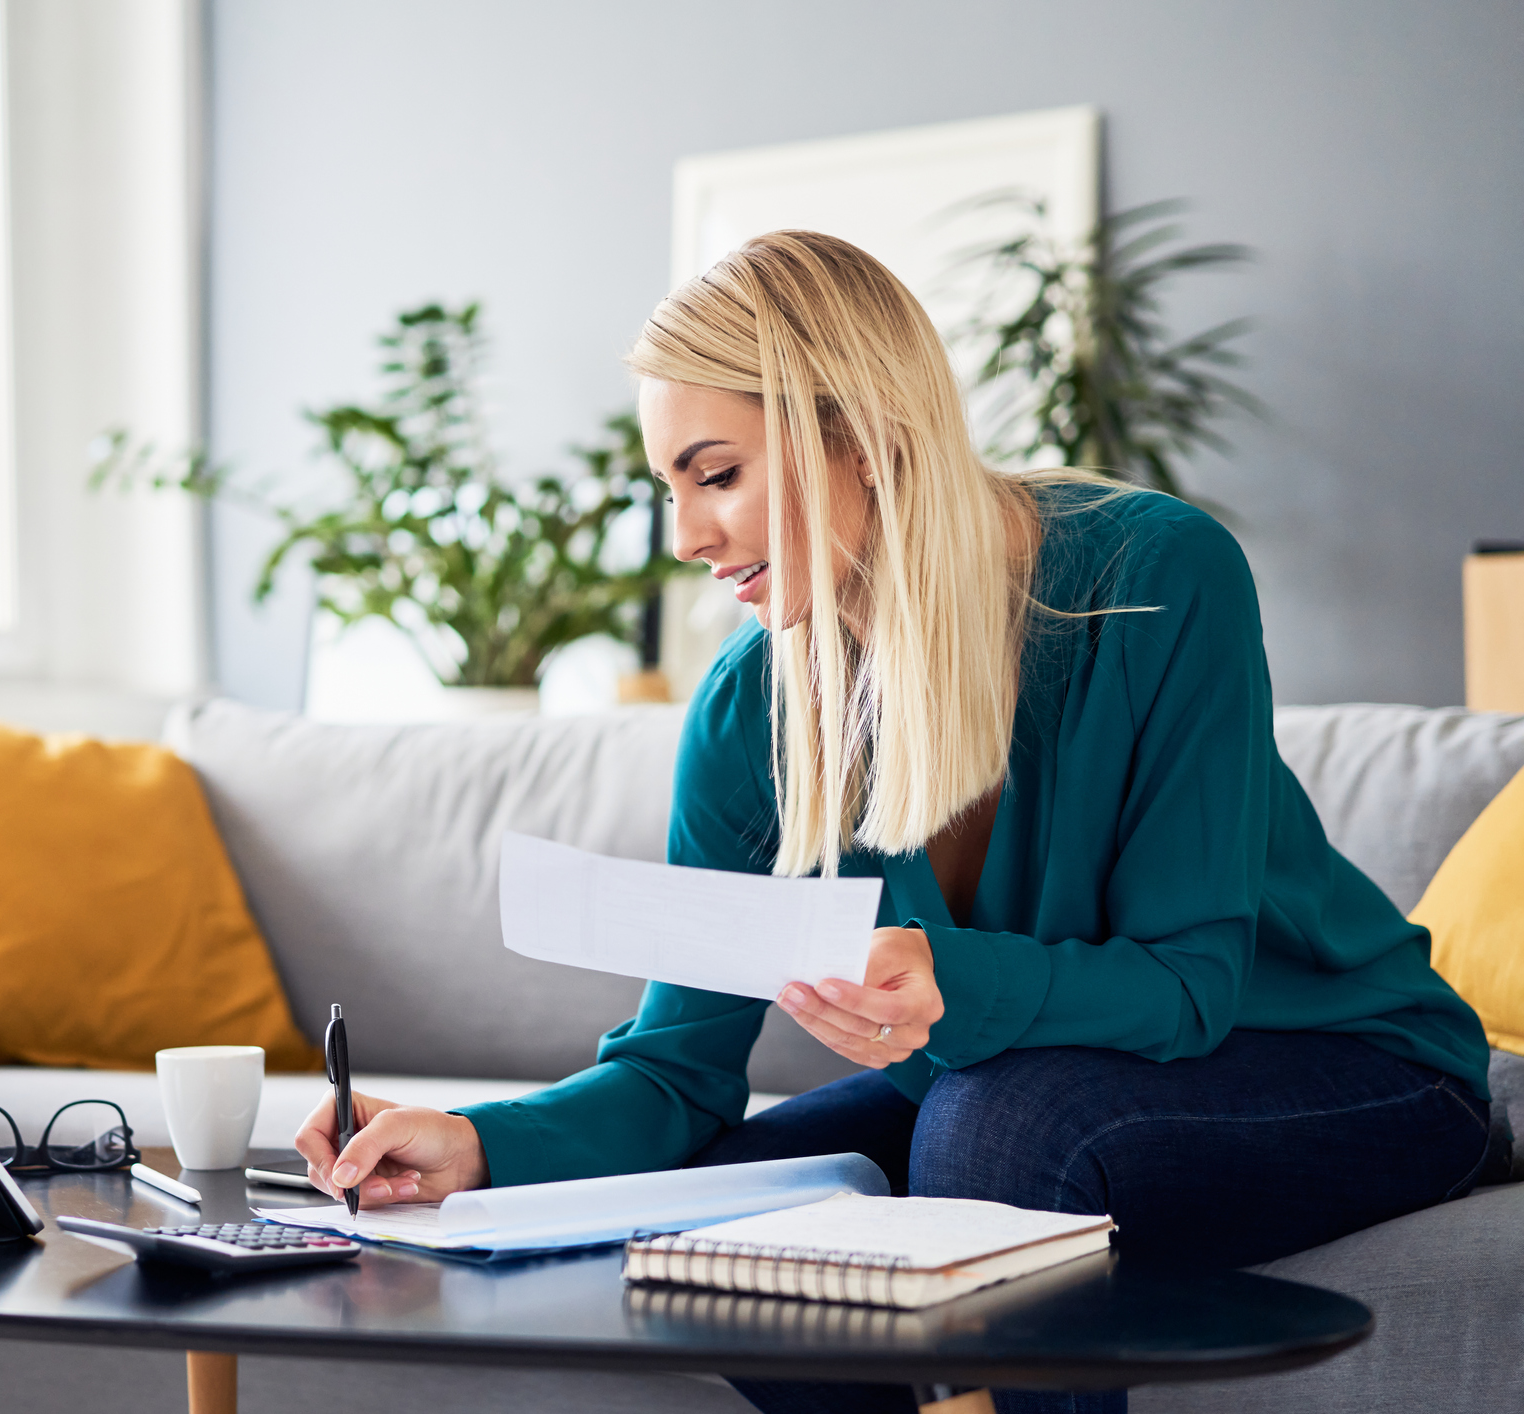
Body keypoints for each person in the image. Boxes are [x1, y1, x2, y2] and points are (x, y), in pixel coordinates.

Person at [294, 231, 1501, 1414]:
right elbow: (678, 1068)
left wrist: (949, 982)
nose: (686, 537)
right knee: (712, 1231)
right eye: (669, 487)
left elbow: (1187, 984)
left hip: (1353, 1067)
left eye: (716, 475)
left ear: (862, 435)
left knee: (993, 1131)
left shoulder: (1155, 577)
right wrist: (473, 1142)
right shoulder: (750, 704)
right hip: (1023, 1084)